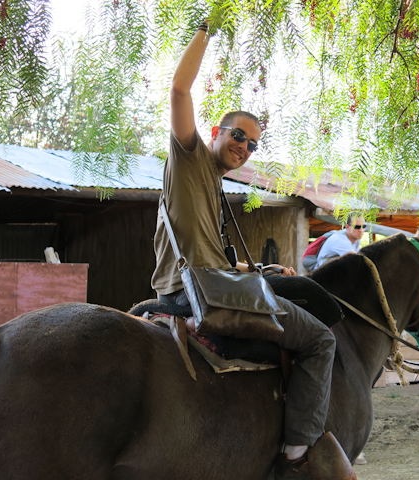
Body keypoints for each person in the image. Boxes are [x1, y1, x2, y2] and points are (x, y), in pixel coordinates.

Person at [151, 20, 337, 480]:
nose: (244, 147)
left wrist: (259, 266)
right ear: (216, 131)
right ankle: (296, 455)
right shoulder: (190, 155)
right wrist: (207, 28)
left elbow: (204, 253)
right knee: (320, 339)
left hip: (206, 280)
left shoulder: (212, 184)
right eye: (238, 136)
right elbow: (178, 90)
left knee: (288, 288)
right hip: (199, 293)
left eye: (252, 144)